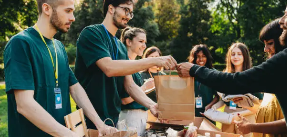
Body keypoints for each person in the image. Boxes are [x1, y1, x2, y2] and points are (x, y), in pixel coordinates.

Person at [4, 0, 117, 136]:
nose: (73, 18)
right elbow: (24, 105)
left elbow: (75, 88)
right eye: (68, 11)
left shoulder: (59, 47)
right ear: (47, 9)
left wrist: (100, 124)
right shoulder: (21, 43)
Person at [176, 7, 287, 135]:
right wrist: (252, 127)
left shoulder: (281, 62)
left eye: (270, 43)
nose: (281, 21)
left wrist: (194, 69)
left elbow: (234, 82)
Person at [74, 0, 177, 130]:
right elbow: (109, 68)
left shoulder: (120, 47)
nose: (128, 16)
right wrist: (154, 60)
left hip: (112, 120)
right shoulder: (92, 33)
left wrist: (151, 104)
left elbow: (129, 85)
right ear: (111, 8)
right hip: (88, 121)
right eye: (126, 10)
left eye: (131, 13)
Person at [238, 19, 287, 137]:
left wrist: (251, 127)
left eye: (270, 43)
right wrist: (249, 104)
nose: (265, 49)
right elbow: (271, 109)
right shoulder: (272, 71)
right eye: (264, 44)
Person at [216, 43, 262, 137]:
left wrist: (238, 114)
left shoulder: (252, 76)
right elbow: (224, 100)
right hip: (228, 117)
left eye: (239, 54)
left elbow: (259, 105)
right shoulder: (225, 76)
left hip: (246, 116)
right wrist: (212, 108)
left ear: (245, 56)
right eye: (233, 54)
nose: (235, 57)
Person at [118, 27, 154, 136]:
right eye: (141, 41)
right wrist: (144, 87)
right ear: (128, 42)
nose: (144, 46)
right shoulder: (124, 64)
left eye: (145, 42)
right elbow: (124, 100)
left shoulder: (133, 66)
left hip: (139, 118)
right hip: (130, 118)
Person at [188, 44, 219, 119]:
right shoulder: (188, 74)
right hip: (192, 113)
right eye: (198, 57)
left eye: (203, 56)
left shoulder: (213, 73)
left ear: (207, 57)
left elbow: (218, 96)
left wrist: (209, 106)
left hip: (208, 113)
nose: (201, 59)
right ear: (194, 58)